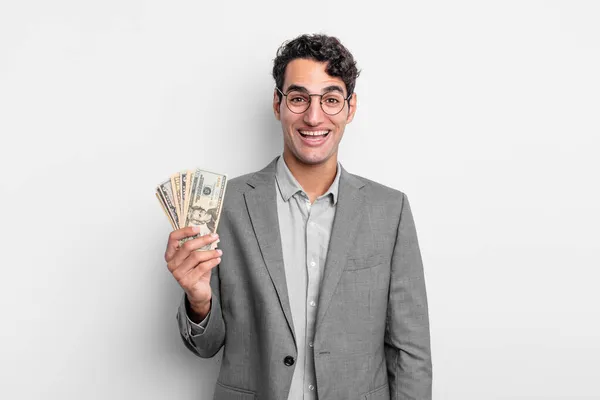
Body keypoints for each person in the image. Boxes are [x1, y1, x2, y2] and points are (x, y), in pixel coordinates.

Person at [165, 33, 432, 400]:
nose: (313, 116)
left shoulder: (390, 210)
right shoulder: (226, 205)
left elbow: (410, 353)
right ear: (278, 103)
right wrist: (198, 300)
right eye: (298, 98)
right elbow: (205, 346)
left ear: (350, 108)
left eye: (331, 99)